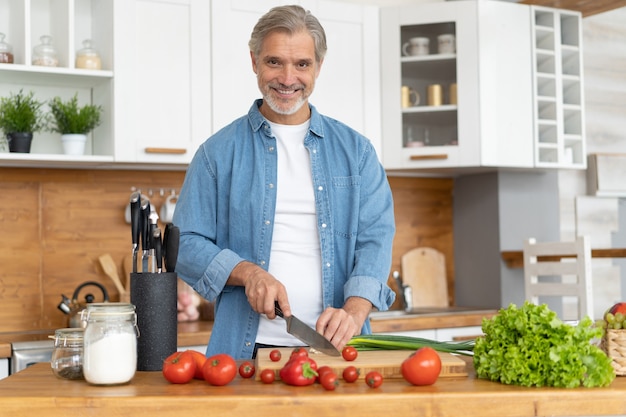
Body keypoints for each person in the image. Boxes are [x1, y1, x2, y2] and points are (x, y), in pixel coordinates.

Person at [173, 4, 395, 359]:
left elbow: (375, 240)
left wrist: (354, 312)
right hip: (246, 352)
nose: (288, 78)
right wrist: (247, 273)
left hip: (339, 352)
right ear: (254, 61)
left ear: (318, 66)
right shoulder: (216, 154)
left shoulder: (358, 152)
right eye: (275, 61)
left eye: (302, 64)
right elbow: (184, 243)